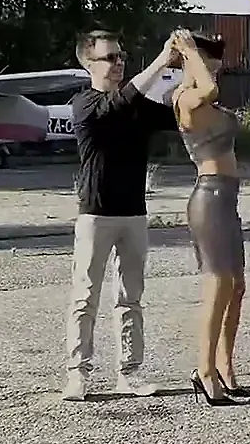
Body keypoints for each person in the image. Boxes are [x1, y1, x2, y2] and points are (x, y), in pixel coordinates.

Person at [62, 29, 181, 402]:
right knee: (86, 297)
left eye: (122, 56)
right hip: (96, 215)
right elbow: (119, 101)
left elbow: (180, 114)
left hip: (134, 214)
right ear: (89, 64)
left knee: (131, 298)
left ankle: (129, 374)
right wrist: (161, 60)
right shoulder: (84, 104)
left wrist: (196, 64)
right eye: (110, 57)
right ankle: (77, 374)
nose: (119, 63)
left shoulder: (138, 105)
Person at [169, 29, 247, 404]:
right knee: (218, 285)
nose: (215, 64)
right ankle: (204, 371)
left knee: (237, 286)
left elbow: (213, 86)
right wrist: (188, 51)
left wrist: (196, 55)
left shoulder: (203, 97)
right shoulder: (186, 98)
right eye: (207, 56)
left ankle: (225, 366)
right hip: (210, 198)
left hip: (226, 199)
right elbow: (210, 89)